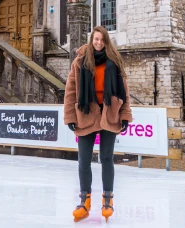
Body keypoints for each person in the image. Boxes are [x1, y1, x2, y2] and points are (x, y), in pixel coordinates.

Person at [64, 26, 132, 223]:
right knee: (83, 160)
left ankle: (108, 199)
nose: (99, 43)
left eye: (102, 39)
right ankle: (84, 201)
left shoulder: (115, 62)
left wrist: (125, 115)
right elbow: (70, 91)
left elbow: (124, 91)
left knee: (106, 158)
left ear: (106, 41)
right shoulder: (80, 62)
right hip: (86, 114)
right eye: (96, 39)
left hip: (109, 114)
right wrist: (70, 117)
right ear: (91, 40)